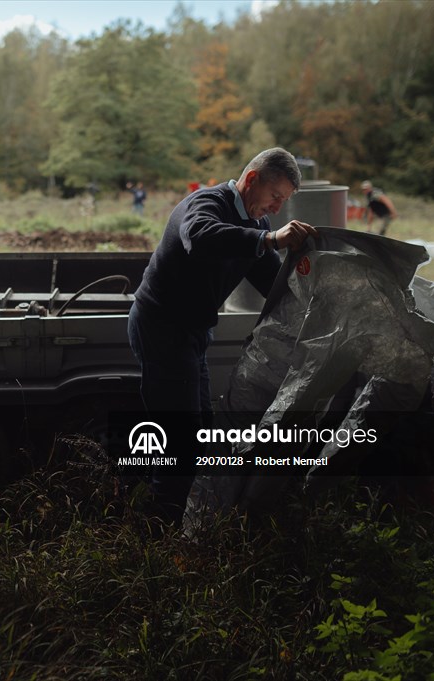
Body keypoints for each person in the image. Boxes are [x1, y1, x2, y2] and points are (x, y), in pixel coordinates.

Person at [128, 147, 317, 521]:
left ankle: (183, 523)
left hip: (194, 334)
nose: (277, 209)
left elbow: (275, 286)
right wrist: (269, 240)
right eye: (275, 197)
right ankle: (158, 532)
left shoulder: (258, 228)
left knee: (198, 431)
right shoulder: (205, 204)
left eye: (284, 202)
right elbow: (200, 237)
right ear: (251, 180)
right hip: (162, 329)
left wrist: (316, 305)